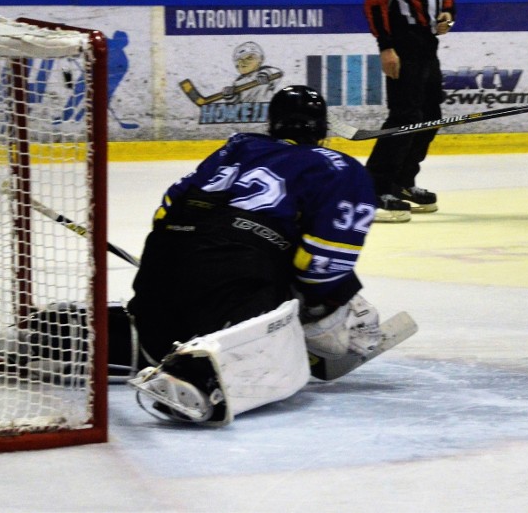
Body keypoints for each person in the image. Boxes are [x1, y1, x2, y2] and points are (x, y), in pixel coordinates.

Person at [123, 85, 386, 425]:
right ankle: (197, 374)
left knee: (154, 340)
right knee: (304, 343)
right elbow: (321, 267)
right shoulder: (340, 168)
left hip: (161, 261)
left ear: (272, 124)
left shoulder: (234, 149)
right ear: (323, 129)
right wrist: (330, 308)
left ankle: (104, 336)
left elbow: (164, 214)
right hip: (236, 270)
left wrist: (188, 262)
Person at [363, 0, 455, 223]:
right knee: (406, 115)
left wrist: (447, 15)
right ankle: (376, 187)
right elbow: (375, 1)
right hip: (403, 40)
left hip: (428, 42)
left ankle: (403, 180)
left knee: (430, 115)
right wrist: (386, 47)